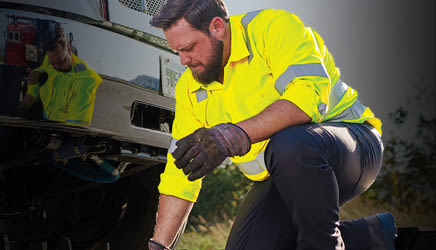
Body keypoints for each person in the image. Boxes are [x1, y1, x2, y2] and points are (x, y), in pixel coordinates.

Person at [147, 0, 396, 249]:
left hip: (351, 149)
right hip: (281, 174)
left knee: (290, 144)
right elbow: (180, 172)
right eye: (177, 51)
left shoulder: (272, 28)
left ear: (217, 26)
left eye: (189, 47)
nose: (183, 60)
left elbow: (309, 94)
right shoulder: (190, 89)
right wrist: (159, 245)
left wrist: (234, 135)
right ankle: (376, 238)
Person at [16, 23, 102, 126]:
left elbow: (76, 128)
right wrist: (23, 107)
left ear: (69, 50)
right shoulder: (50, 58)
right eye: (52, 63)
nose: (56, 66)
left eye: (61, 62)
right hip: (44, 121)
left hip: (66, 129)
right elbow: (36, 74)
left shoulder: (84, 79)